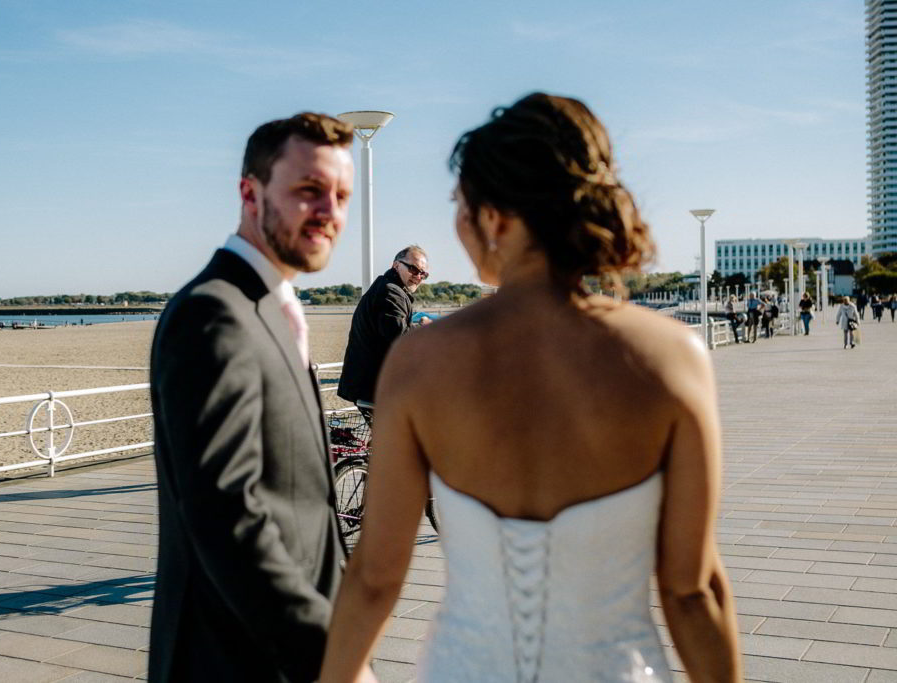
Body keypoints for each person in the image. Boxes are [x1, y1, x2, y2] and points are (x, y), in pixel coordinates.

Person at [320, 93, 741, 682]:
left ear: (493, 217)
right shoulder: (671, 358)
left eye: (460, 206)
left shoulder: (423, 362)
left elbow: (374, 579)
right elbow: (692, 591)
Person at [148, 112, 361, 683]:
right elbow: (226, 516)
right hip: (230, 661)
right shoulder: (214, 314)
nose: (330, 212)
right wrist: (331, 657)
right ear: (250, 192)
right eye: (309, 191)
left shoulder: (271, 305)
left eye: (341, 195)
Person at [337, 245, 429, 412]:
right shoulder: (390, 292)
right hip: (373, 388)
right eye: (414, 269)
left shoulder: (391, 288)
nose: (418, 277)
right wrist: (427, 329)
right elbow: (400, 336)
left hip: (372, 386)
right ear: (396, 265)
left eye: (423, 273)